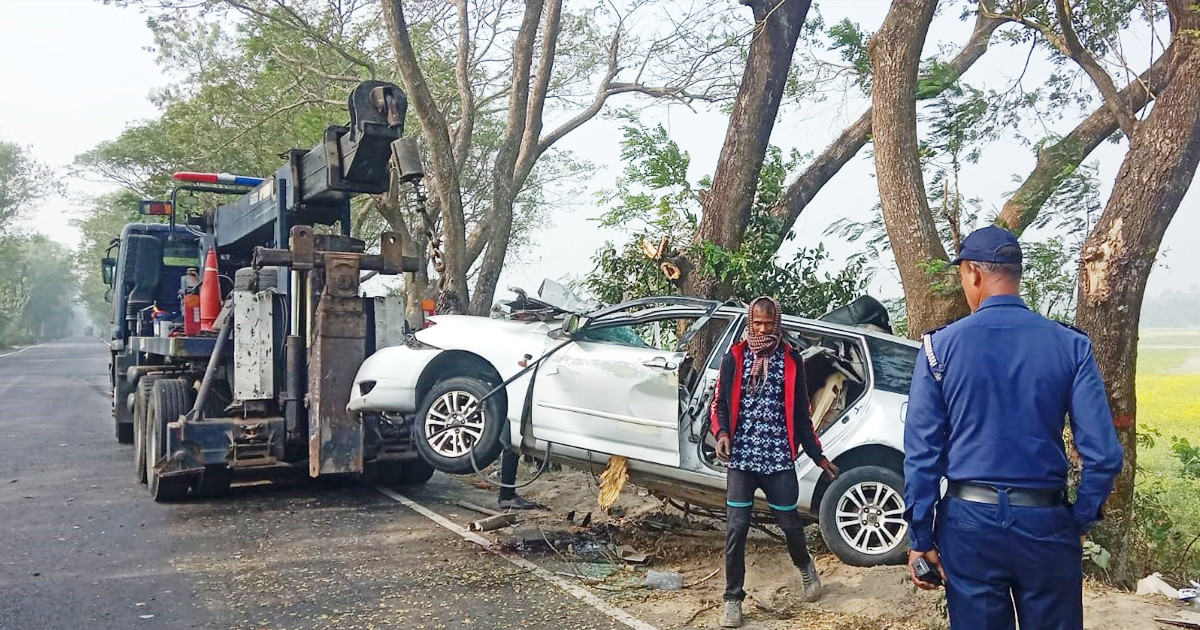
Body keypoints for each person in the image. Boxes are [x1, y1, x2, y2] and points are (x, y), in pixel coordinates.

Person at [903, 226, 1124, 630]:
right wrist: (1078, 521)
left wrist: (920, 537)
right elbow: (1105, 456)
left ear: (972, 273)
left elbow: (923, 455)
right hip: (1045, 522)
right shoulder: (1070, 346)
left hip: (969, 525)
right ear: (1017, 273)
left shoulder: (939, 349)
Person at [710, 296, 840, 629]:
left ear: (777, 323)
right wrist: (722, 433)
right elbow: (719, 404)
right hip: (742, 458)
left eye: (769, 323)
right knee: (736, 528)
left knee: (791, 527)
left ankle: (804, 564)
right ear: (749, 322)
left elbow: (801, 416)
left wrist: (818, 456)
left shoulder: (791, 361)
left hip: (779, 458)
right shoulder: (734, 358)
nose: (763, 329)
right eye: (757, 323)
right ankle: (732, 600)